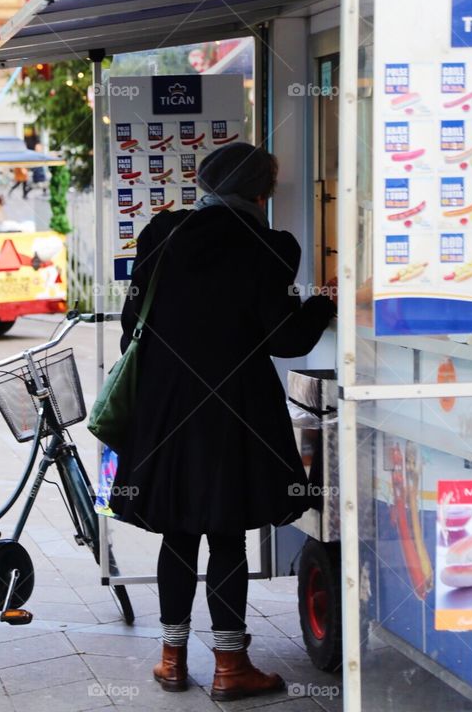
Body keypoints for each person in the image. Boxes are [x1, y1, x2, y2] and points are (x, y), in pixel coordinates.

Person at [109, 142, 336, 701]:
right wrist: (327, 300)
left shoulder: (161, 235)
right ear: (261, 192)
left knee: (179, 531)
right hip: (234, 410)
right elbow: (285, 338)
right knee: (226, 534)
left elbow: (131, 319)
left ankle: (171, 659)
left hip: (165, 408)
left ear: (206, 184)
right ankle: (231, 668)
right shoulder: (271, 245)